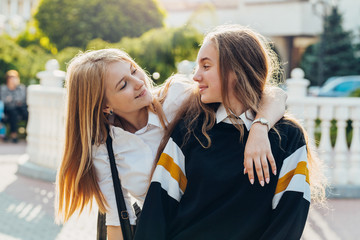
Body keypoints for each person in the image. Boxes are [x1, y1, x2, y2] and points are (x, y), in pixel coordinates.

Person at [55, 48, 287, 239]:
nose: (138, 82)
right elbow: (118, 220)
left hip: (220, 225)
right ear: (105, 106)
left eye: (134, 70)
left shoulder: (176, 97)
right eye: (123, 85)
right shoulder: (104, 149)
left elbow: (273, 95)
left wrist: (259, 129)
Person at [134, 25, 327, 240]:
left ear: (237, 70)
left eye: (206, 66)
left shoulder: (288, 138)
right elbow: (158, 208)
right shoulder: (188, 130)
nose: (196, 76)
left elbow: (289, 220)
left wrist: (259, 129)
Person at [0, 70, 28, 143]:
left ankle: (29, 133)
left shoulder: (21, 88)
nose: (12, 80)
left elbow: (22, 99)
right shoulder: (3, 88)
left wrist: (11, 99)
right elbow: (4, 100)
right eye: (11, 78)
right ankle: (13, 135)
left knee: (26, 112)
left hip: (19, 108)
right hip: (8, 109)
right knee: (13, 112)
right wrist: (14, 100)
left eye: (14, 78)